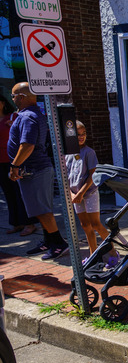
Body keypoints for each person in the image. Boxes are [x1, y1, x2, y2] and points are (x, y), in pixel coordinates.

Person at [7, 82, 69, 260]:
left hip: (34, 169)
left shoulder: (28, 117)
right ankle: (48, 241)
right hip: (33, 170)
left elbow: (27, 145)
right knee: (38, 209)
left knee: (43, 210)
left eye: (14, 96)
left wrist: (15, 166)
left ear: (22, 97)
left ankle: (58, 244)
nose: (13, 99)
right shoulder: (29, 115)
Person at [66, 121, 119, 267]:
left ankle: (113, 253)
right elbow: (66, 176)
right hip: (76, 195)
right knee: (85, 225)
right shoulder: (67, 153)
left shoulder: (89, 152)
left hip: (89, 193)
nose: (81, 137)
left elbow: (92, 175)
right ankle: (93, 255)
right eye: (78, 135)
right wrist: (72, 194)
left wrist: (81, 192)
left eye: (84, 134)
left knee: (95, 224)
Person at [0, 95, 37, 236]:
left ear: (2, 103)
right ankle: (17, 223)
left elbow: (24, 137)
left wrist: (12, 127)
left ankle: (29, 223)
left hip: (14, 160)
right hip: (1, 162)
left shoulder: (13, 117)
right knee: (8, 193)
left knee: (19, 193)